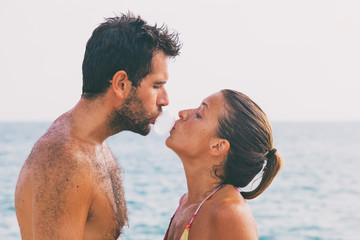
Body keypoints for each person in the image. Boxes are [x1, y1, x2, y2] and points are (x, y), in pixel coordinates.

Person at [15, 12, 181, 240]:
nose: (165, 100)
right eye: (156, 86)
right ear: (121, 84)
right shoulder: (66, 161)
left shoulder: (91, 145)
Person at [164, 89, 283, 240]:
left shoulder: (229, 214)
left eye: (199, 114)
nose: (182, 113)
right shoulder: (186, 202)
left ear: (218, 146)